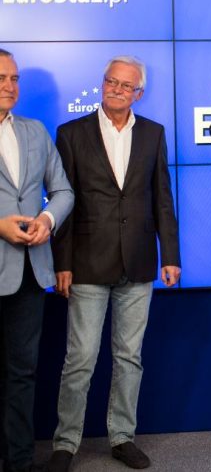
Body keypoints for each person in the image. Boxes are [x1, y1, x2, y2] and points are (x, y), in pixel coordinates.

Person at [46, 56, 181, 472]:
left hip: (139, 263)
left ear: (139, 93)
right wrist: (61, 262)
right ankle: (65, 443)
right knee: (80, 359)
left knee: (129, 357)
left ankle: (122, 437)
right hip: (86, 263)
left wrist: (170, 256)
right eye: (111, 82)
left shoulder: (154, 133)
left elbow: (162, 198)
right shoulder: (71, 133)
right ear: (102, 84)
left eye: (126, 86)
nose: (117, 90)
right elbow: (63, 201)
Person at [0, 49, 73, 472]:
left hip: (29, 273)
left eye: (14, 78)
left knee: (22, 372)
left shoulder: (35, 131)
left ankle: (20, 462)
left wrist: (47, 219)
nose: (9, 86)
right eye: (1, 78)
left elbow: (62, 191)